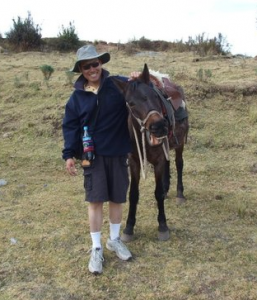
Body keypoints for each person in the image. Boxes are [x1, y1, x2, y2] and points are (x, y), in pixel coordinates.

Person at [62, 44, 135, 275]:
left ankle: (114, 240)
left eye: (96, 64)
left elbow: (143, 88)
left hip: (118, 151)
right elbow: (70, 126)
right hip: (91, 155)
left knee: (117, 198)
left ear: (101, 63)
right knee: (95, 201)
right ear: (81, 70)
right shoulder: (77, 98)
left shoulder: (118, 85)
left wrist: (139, 77)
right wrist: (68, 155)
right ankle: (96, 248)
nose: (92, 69)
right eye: (87, 66)